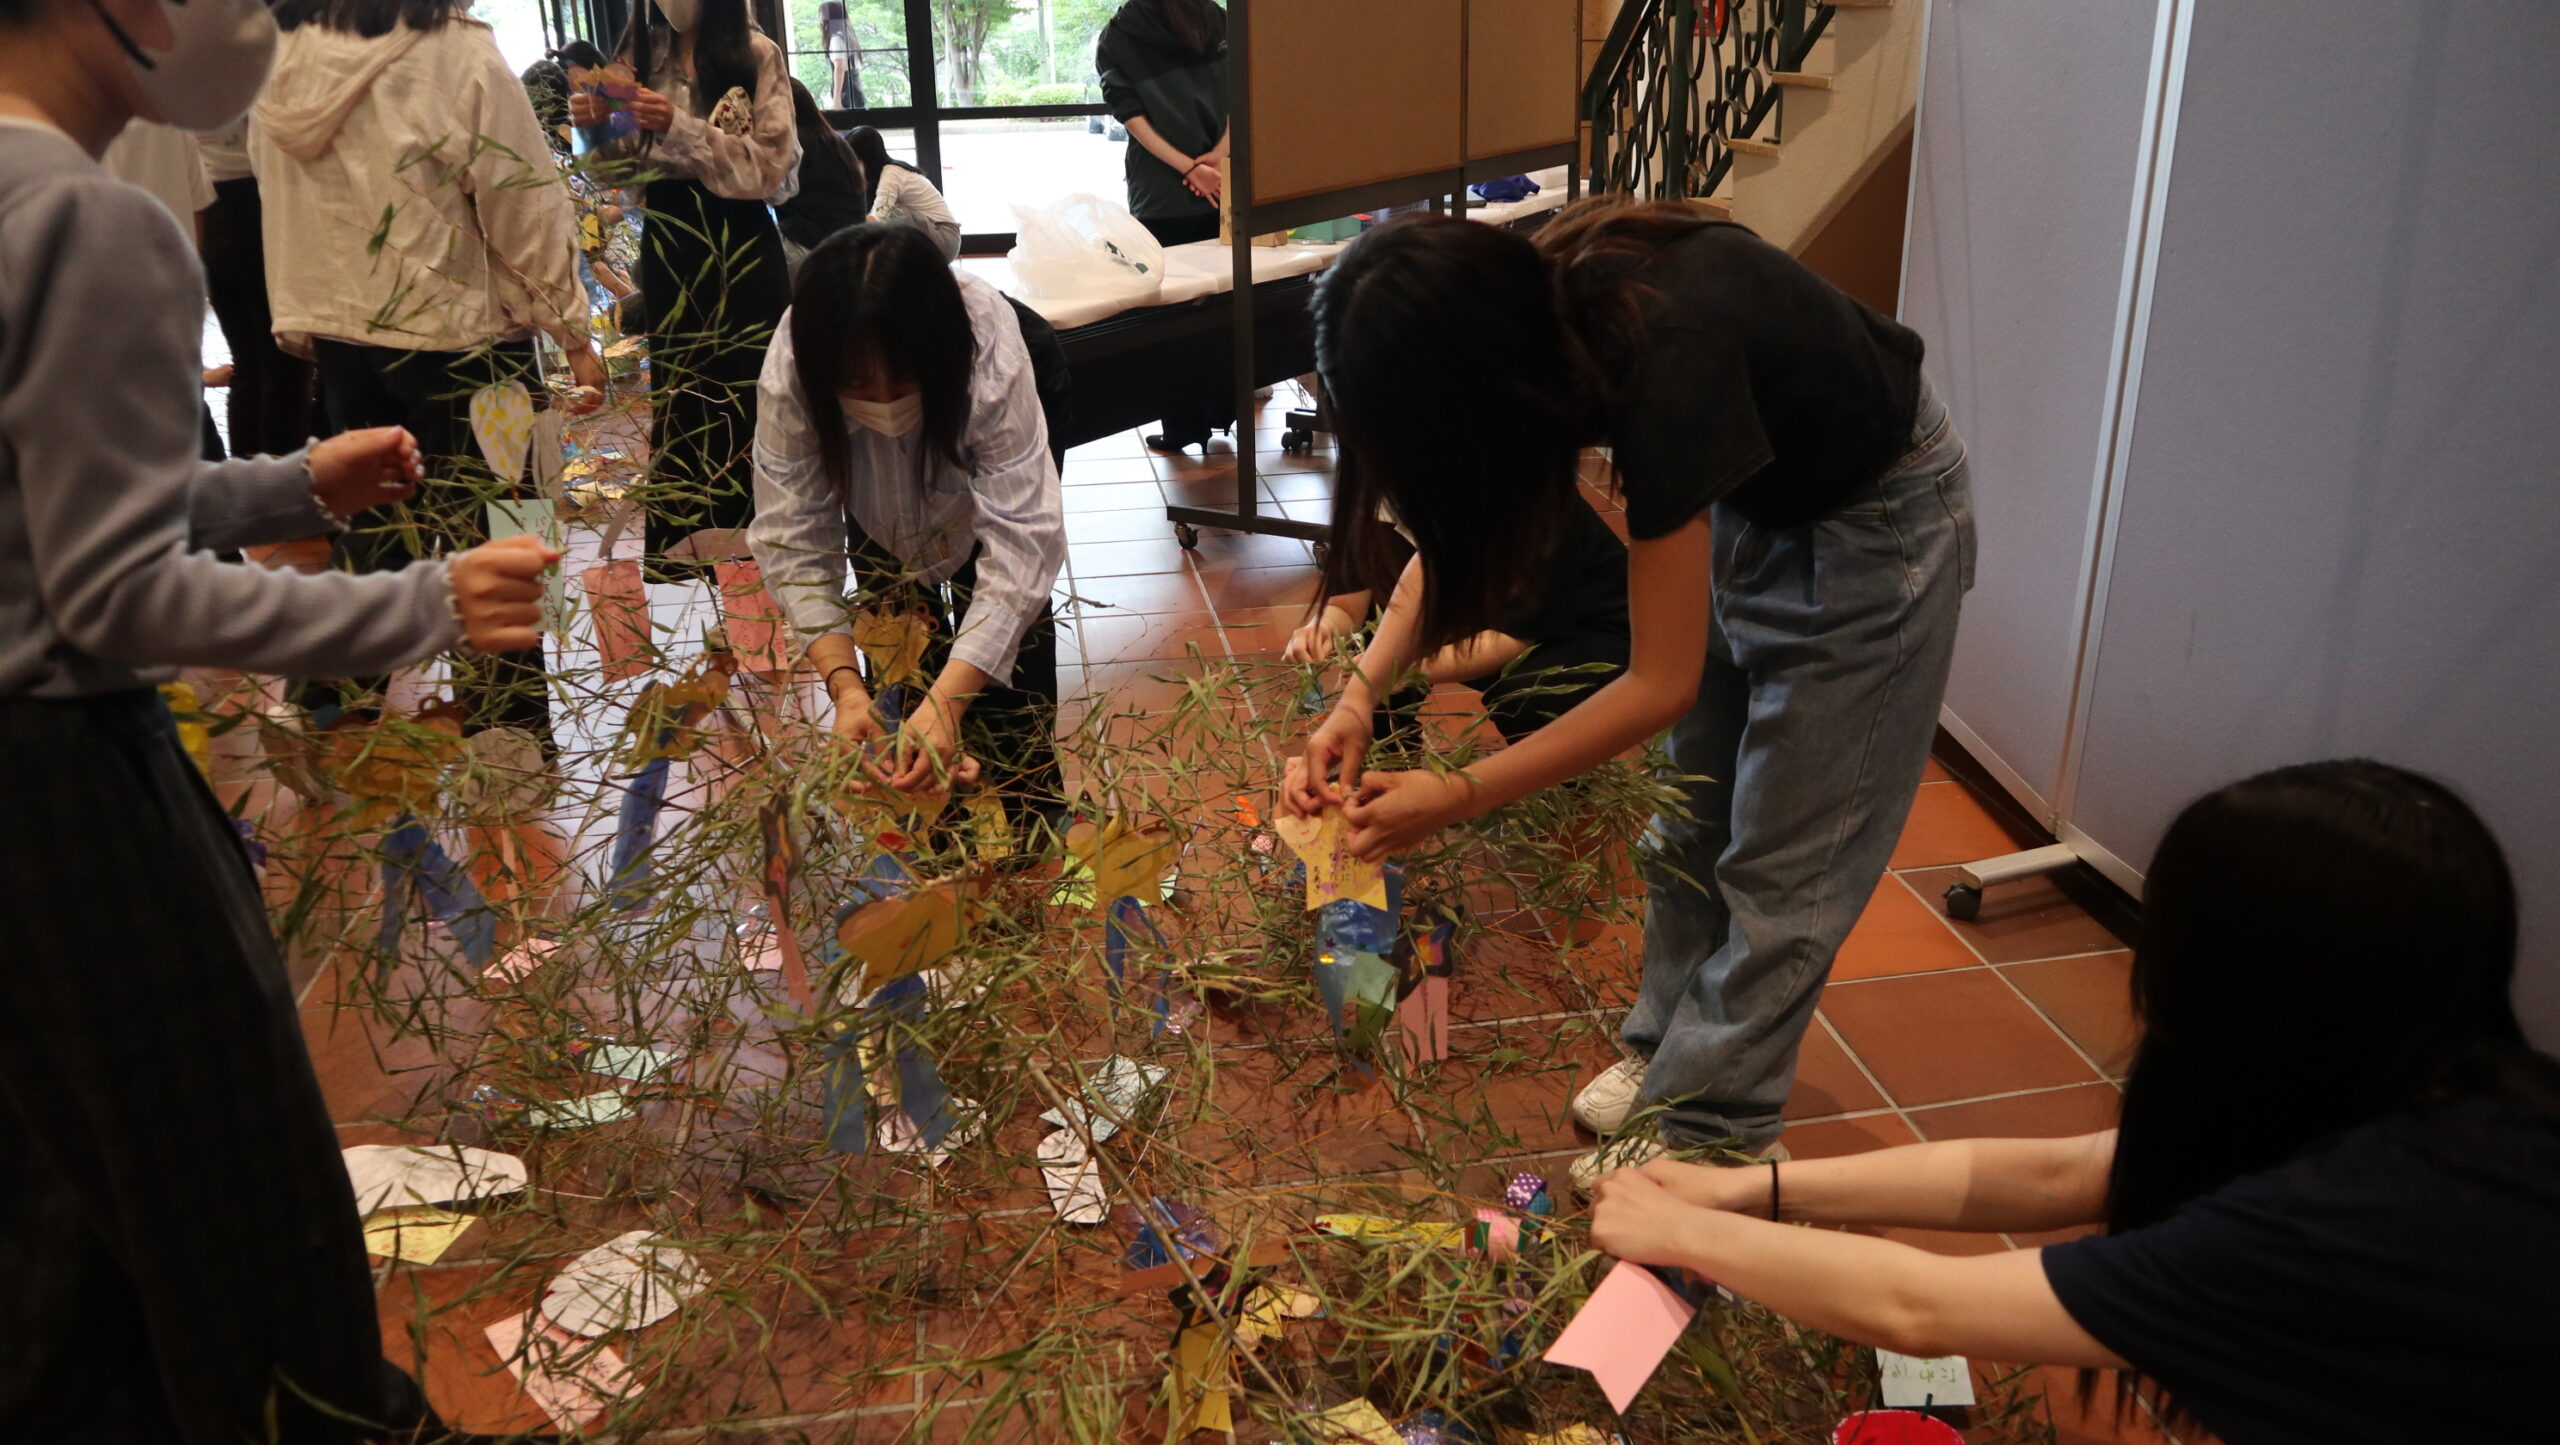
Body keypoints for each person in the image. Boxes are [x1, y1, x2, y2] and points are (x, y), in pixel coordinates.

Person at [0, 0, 560, 1438]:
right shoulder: (90, 219)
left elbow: (54, 497)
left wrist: (281, 488)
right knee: (234, 1191)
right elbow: (118, 590)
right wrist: (425, 604)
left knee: (70, 1197)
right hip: (62, 790)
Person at [1281, 203, 1969, 1190]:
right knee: (1690, 820)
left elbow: (1658, 681)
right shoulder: (1532, 322)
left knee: (1789, 861)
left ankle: (1712, 1123)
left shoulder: (1663, 357)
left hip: (1875, 530)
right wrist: (1354, 699)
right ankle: (1668, 1051)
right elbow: (1449, 538)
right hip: (1764, 504)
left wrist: (1460, 791)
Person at [1590, 760, 2560, 1444]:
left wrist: (1681, 1229)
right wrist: (1750, 1191)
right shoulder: (2444, 1093)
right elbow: (2062, 1171)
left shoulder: (2343, 1213)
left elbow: (1919, 1305)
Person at [254, 0, 606, 751]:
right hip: (463, 332)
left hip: (346, 328)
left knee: (374, 521)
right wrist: (573, 332)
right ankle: (508, 725)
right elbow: (523, 201)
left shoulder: (285, 50)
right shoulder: (455, 50)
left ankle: (326, 703)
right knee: (507, 528)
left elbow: (277, 197)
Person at [749, 223, 1066, 833]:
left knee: (1012, 669)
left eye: (900, 381)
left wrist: (950, 702)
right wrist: (844, 691)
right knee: (895, 643)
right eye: (857, 386)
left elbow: (1024, 539)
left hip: (991, 444)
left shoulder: (987, 354)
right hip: (874, 503)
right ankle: (929, 824)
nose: (884, 401)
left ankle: (1032, 818)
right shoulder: (794, 368)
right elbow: (795, 536)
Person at [572, 0, 798, 579]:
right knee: (682, 395)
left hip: (742, 245)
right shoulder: (638, 58)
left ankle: (772, 552)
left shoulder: (755, 55)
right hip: (671, 247)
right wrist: (593, 127)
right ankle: (690, 555)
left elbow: (769, 172)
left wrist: (680, 124)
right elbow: (616, 175)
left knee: (754, 394)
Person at [1284, 500, 1630, 745]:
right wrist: (1326, 626)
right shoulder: (1377, 493)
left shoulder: (1532, 502)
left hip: (1584, 630)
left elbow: (1515, 635)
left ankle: (1566, 796)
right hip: (1483, 622)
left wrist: (1401, 669)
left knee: (1530, 699)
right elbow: (1355, 598)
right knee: (1374, 644)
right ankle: (1385, 759)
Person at [1095, 0, 1229, 453]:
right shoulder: (1216, 17)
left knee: (1171, 313)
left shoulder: (1120, 33)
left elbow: (1131, 118)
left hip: (1162, 191)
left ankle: (1182, 426)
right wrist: (1216, 160)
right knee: (1225, 301)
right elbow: (1244, 97)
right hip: (1221, 184)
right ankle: (1223, 410)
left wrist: (1188, 168)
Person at [199, 115, 321, 460]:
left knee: (251, 366)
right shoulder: (245, 65)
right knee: (285, 363)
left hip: (208, 200)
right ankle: (284, 495)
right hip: (255, 195)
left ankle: (250, 490)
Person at [776, 77, 869, 274]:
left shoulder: (796, 143)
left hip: (812, 246)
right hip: (849, 246)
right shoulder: (834, 141)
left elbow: (769, 192)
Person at [846, 123, 958, 261]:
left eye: (856, 161)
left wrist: (844, 225)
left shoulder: (891, 173)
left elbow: (878, 217)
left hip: (945, 239)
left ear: (867, 159)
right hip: (933, 237)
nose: (853, 167)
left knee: (893, 214)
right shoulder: (878, 177)